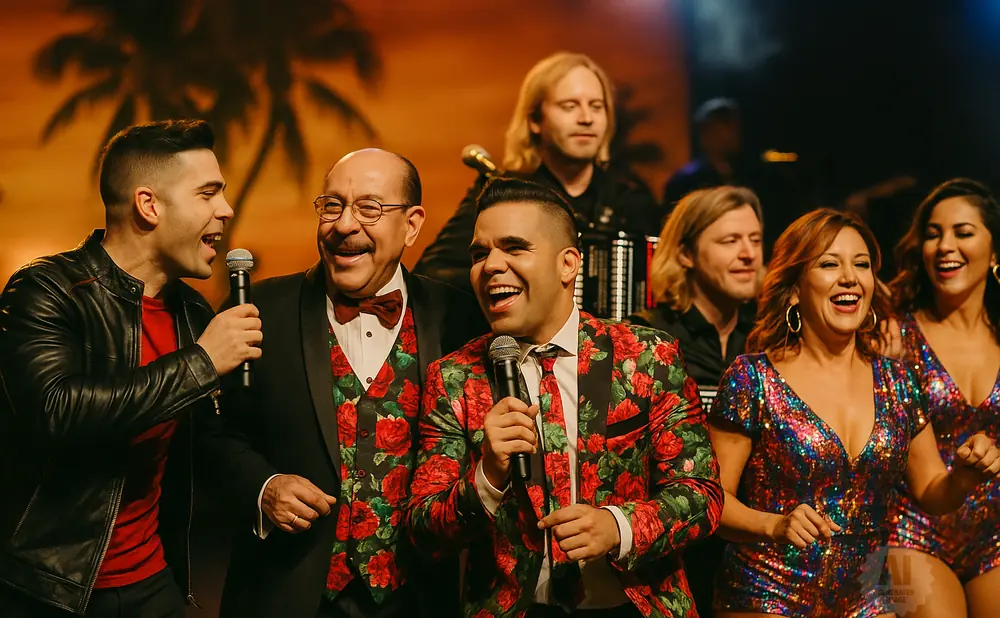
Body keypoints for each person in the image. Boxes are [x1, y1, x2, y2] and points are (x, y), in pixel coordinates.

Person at [407, 177, 724, 617]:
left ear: (568, 264)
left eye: (514, 248)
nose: (491, 265)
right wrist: (489, 475)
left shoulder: (647, 356)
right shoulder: (455, 378)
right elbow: (423, 530)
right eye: (480, 254)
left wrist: (619, 526)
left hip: (632, 606)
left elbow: (702, 495)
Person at [198, 149, 484, 618]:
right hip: (285, 594)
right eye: (332, 206)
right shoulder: (259, 310)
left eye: (369, 208)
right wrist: (262, 485)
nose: (344, 225)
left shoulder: (456, 318)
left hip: (417, 600)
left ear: (412, 225)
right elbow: (208, 434)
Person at [0, 120, 262, 617]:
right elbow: (55, 411)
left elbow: (205, 444)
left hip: (153, 583)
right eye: (208, 193)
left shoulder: (193, 314)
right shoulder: (46, 291)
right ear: (149, 205)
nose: (226, 210)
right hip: (46, 588)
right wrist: (203, 363)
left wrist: (268, 485)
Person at [708, 208, 1000, 617]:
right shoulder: (753, 377)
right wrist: (772, 525)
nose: (850, 277)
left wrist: (967, 474)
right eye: (829, 264)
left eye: (861, 265)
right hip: (767, 592)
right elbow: (710, 499)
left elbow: (932, 490)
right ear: (794, 288)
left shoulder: (898, 381)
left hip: (865, 598)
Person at [413, 51, 660, 295]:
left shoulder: (631, 198)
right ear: (535, 120)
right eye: (569, 106)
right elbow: (433, 273)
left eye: (597, 107)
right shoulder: (504, 192)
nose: (586, 118)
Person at [628, 185, 763, 617]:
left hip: (754, 551)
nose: (748, 254)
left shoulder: (769, 342)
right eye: (730, 241)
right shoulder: (648, 338)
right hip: (671, 555)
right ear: (685, 254)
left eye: (755, 240)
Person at [885, 179, 1000, 618]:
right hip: (906, 532)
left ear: (994, 251)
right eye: (933, 234)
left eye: (963, 232)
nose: (944, 246)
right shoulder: (894, 334)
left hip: (993, 535)